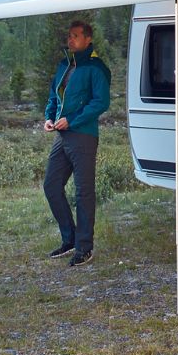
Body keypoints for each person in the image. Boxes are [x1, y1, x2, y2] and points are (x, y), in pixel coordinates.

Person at [43, 20, 111, 266]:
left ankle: (84, 248)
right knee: (51, 186)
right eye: (69, 36)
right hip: (63, 136)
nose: (70, 40)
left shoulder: (96, 68)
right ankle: (69, 239)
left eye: (75, 36)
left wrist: (71, 120)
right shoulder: (65, 65)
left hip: (83, 135)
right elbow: (54, 96)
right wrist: (49, 118)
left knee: (83, 193)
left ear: (88, 39)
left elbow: (100, 103)